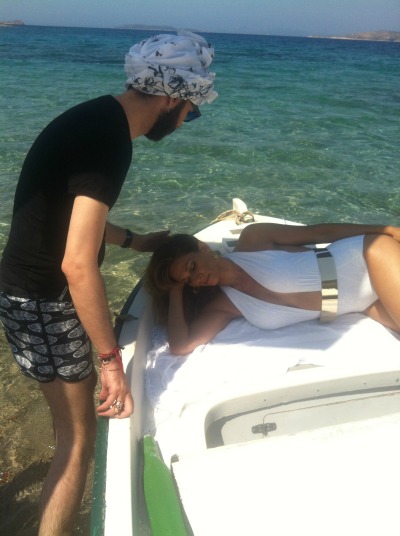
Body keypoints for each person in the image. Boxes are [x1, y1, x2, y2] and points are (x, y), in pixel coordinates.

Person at [0, 30, 217, 536]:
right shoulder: (108, 143)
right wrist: (110, 362)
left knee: (67, 427)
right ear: (170, 99)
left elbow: (73, 217)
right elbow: (77, 265)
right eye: (190, 111)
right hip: (43, 302)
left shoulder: (97, 117)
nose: (185, 122)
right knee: (77, 441)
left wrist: (136, 242)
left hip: (24, 293)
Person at [145, 221, 400, 356]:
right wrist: (174, 288)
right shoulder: (225, 307)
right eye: (187, 281)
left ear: (202, 248)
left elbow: (320, 232)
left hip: (368, 257)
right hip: (362, 304)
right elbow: (181, 345)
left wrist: (385, 230)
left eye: (191, 267)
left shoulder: (254, 240)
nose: (195, 278)